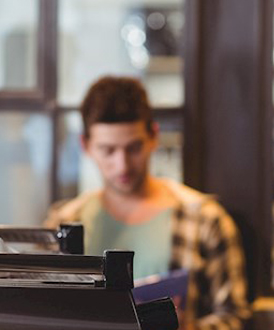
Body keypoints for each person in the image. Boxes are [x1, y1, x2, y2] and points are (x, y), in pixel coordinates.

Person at [45, 76, 250, 329]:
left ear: (153, 136)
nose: (122, 165)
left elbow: (235, 318)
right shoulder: (63, 222)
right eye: (108, 150)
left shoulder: (205, 219)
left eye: (133, 148)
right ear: (85, 145)